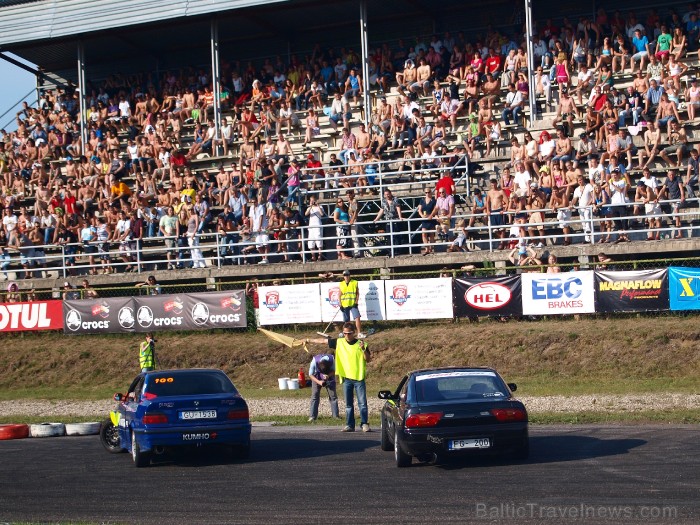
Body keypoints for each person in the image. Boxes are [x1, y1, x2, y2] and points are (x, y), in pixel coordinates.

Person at [309, 322, 371, 432]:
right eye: (345, 333)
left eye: (349, 333)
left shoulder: (361, 344)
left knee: (362, 403)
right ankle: (349, 425)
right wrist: (309, 340)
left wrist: (363, 349)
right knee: (348, 404)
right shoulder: (339, 342)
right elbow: (323, 341)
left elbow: (368, 359)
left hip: (359, 378)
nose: (347, 335)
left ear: (354, 333)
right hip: (346, 378)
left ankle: (364, 423)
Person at [307, 353, 339, 422]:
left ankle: (335, 416)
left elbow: (335, 371)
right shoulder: (314, 361)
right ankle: (312, 417)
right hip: (316, 377)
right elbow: (310, 375)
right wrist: (319, 382)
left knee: (333, 397)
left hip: (330, 377)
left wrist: (328, 375)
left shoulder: (332, 360)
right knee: (315, 396)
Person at [339, 269, 363, 337]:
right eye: (344, 275)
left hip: (353, 304)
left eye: (347, 275)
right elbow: (339, 295)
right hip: (345, 304)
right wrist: (340, 305)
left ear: (349, 275)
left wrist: (356, 302)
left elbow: (357, 293)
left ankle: (359, 333)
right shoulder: (341, 284)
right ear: (343, 276)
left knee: (357, 317)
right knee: (347, 320)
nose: (346, 276)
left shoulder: (354, 282)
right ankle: (347, 333)